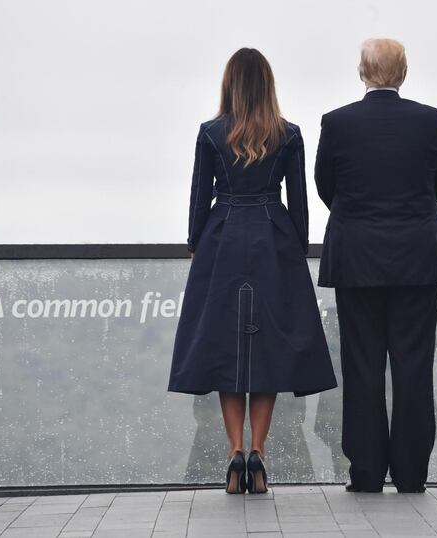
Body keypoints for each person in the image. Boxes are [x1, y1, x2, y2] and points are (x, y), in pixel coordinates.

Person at [168, 47, 338, 495]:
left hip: (222, 238)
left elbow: (197, 198)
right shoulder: (289, 134)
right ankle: (259, 453)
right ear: (267, 85)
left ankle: (234, 454)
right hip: (272, 238)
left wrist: (195, 242)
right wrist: (295, 246)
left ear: (230, 84)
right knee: (266, 351)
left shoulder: (209, 133)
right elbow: (299, 202)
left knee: (227, 350)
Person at [314, 38, 437, 493]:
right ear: (404, 72)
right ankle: (412, 473)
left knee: (362, 366)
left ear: (361, 71)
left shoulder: (336, 123)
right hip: (416, 257)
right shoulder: (429, 120)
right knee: (414, 366)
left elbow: (325, 186)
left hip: (356, 259)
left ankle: (367, 472)